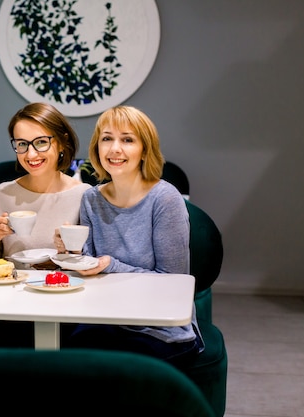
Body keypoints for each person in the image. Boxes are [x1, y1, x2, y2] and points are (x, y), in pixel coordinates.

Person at [63, 105, 204, 366]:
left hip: (159, 328)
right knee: (64, 361)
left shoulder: (165, 198)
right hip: (104, 319)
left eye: (127, 140)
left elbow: (173, 283)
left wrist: (111, 265)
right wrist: (71, 254)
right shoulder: (91, 198)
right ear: (97, 148)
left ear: (144, 150)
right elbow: (91, 266)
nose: (115, 148)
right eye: (107, 139)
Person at [0, 102, 91, 347]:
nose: (31, 154)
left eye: (40, 142)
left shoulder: (84, 195)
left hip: (66, 307)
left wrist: (69, 256)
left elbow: (95, 264)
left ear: (60, 142)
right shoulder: (2, 194)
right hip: (8, 311)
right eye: (22, 144)